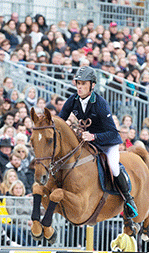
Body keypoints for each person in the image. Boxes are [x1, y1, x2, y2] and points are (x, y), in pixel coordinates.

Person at [57, 66, 137, 219]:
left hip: (107, 143)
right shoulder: (72, 100)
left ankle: (128, 199)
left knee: (113, 166)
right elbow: (60, 120)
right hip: (87, 142)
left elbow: (113, 132)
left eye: (83, 84)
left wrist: (93, 136)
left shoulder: (100, 103)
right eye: (78, 83)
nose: (79, 87)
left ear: (92, 86)